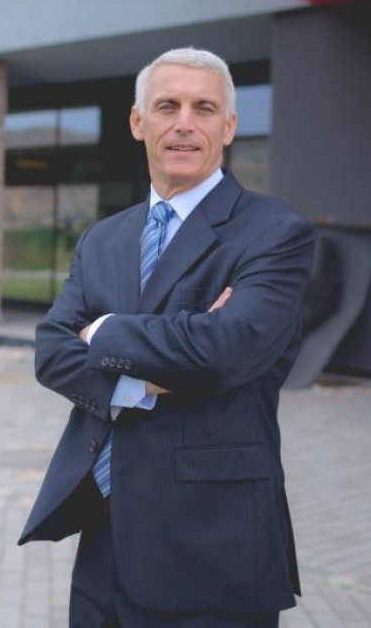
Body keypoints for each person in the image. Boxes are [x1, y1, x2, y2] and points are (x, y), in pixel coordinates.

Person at [18, 47, 315, 626]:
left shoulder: (275, 232)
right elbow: (51, 351)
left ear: (228, 126)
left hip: (213, 544)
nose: (184, 123)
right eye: (167, 106)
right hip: (104, 533)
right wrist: (144, 380)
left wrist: (103, 331)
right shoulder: (103, 237)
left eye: (204, 108)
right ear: (138, 122)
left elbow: (227, 349)